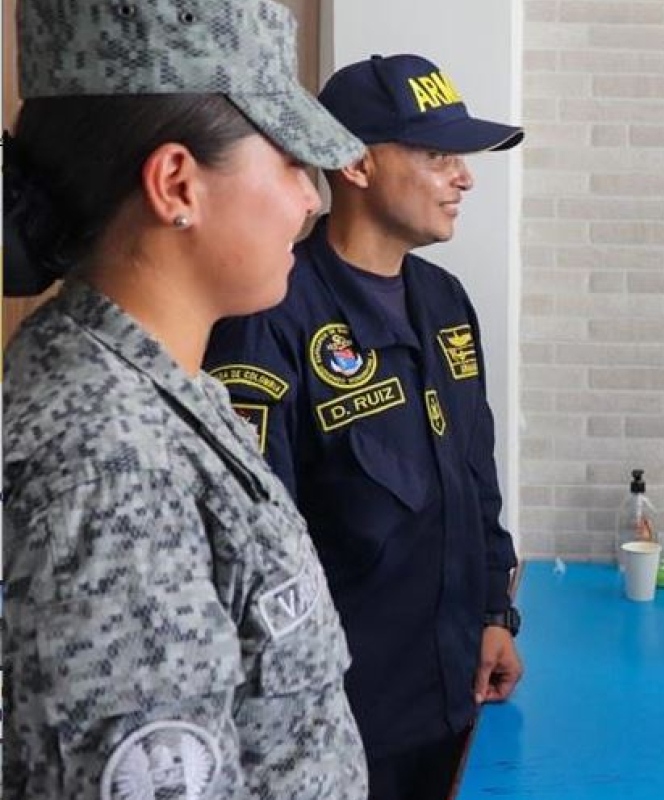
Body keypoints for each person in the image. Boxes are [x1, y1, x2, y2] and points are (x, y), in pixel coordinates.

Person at [2, 1, 369, 798]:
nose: (311, 199)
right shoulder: (109, 459)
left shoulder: (159, 390)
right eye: (287, 163)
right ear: (177, 184)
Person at [203, 53, 523, 800]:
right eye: (439, 154)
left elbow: (476, 478)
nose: (464, 177)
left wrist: (493, 614)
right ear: (355, 163)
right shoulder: (269, 318)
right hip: (337, 728)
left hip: (459, 699)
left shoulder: (446, 302)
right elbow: (251, 553)